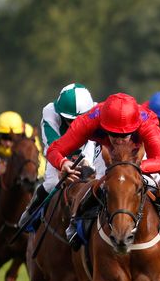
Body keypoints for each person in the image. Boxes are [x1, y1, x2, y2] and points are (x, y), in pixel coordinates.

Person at [46, 92, 160, 246]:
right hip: (106, 150)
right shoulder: (90, 120)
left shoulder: (146, 122)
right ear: (103, 125)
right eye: (113, 134)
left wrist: (133, 167)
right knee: (99, 180)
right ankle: (78, 219)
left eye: (125, 135)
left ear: (135, 127)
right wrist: (62, 162)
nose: (119, 140)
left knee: (154, 179)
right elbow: (54, 150)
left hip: (136, 152)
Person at [18, 83, 101, 228]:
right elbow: (52, 145)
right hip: (59, 153)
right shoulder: (50, 112)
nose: (73, 125)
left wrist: (87, 162)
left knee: (98, 181)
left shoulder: (96, 110)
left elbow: (92, 141)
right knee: (51, 184)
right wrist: (62, 163)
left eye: (78, 120)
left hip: (87, 150)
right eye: (68, 120)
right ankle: (31, 212)